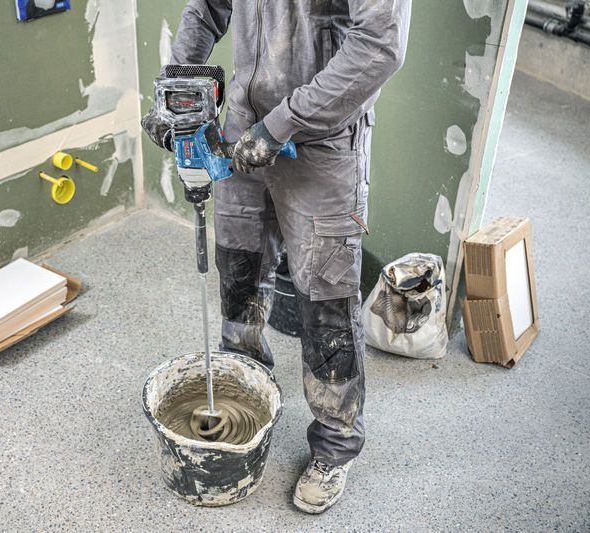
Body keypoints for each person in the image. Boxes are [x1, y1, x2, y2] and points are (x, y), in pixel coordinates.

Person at [143, 0, 411, 514]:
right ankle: (247, 396)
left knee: (324, 299)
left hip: (323, 139)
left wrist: (285, 123)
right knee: (240, 273)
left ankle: (335, 445)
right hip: (244, 127)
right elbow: (206, 9)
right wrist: (176, 85)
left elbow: (379, 46)